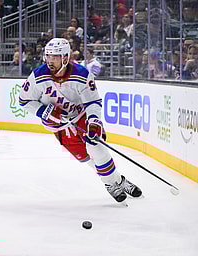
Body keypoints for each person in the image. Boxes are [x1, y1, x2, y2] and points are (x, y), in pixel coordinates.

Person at [19, 38, 142, 204]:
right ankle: (118, 180)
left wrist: (94, 122)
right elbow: (24, 100)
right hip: (59, 125)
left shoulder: (82, 74)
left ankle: (109, 184)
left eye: (54, 57)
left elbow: (92, 102)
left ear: (65, 57)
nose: (49, 61)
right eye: (48, 56)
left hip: (81, 116)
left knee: (95, 146)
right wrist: (45, 112)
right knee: (84, 158)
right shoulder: (38, 76)